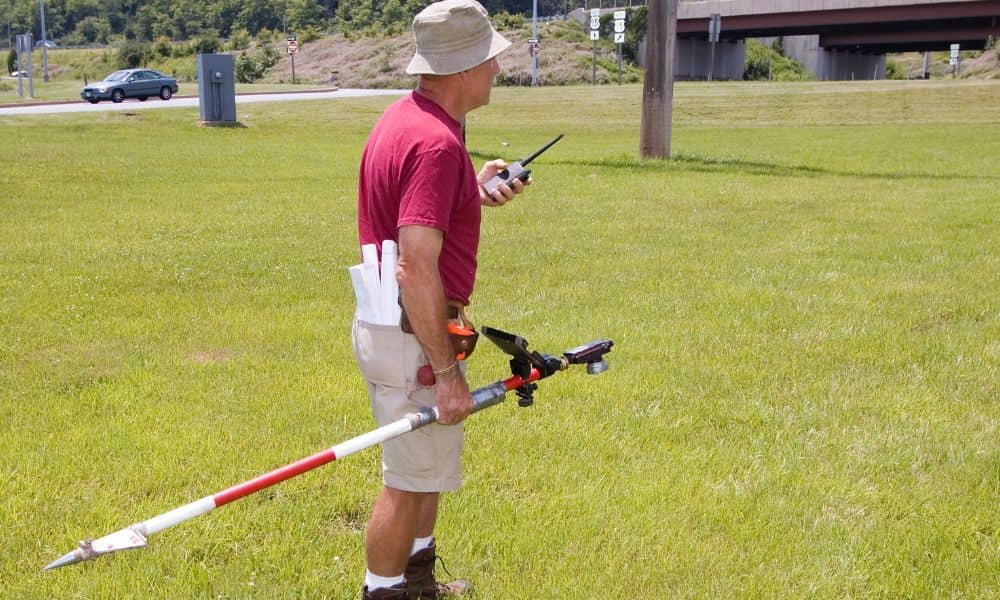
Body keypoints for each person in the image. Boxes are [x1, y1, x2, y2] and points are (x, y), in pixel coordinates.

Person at [350, 1, 528, 598]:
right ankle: (383, 591)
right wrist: (448, 373)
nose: (496, 70)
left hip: (401, 330)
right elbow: (416, 266)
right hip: (413, 335)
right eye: (489, 60)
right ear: (460, 70)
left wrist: (473, 192)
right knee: (405, 480)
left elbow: (416, 214)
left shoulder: (409, 120)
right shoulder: (434, 144)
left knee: (425, 471)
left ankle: (418, 583)